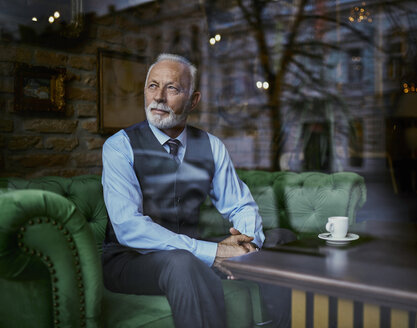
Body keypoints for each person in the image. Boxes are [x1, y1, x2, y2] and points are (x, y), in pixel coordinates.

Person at [101, 53, 293, 328]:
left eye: (172, 88)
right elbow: (129, 227)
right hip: (130, 261)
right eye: (153, 86)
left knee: (280, 239)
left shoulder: (212, 146)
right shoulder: (119, 146)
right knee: (182, 263)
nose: (159, 97)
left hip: (190, 251)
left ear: (193, 100)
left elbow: (240, 205)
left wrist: (248, 248)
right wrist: (214, 252)